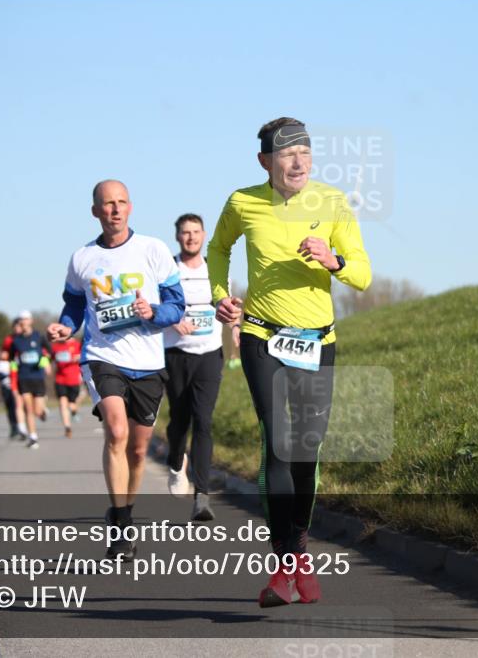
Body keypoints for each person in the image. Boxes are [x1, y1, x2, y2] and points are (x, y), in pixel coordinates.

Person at [209, 118, 372, 607]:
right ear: (265, 162)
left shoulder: (333, 202)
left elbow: (362, 274)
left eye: (304, 151)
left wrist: (333, 259)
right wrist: (222, 296)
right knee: (278, 446)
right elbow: (219, 249)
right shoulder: (243, 201)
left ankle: (298, 551)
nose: (297, 161)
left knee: (306, 452)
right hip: (262, 337)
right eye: (286, 153)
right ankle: (284, 566)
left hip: (317, 341)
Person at [47, 179, 184, 561]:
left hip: (148, 362)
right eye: (107, 204)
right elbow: (74, 306)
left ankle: (124, 511)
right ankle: (122, 528)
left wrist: (153, 312)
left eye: (121, 202)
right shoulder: (82, 259)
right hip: (103, 355)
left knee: (139, 451)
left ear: (131, 207)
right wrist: (64, 327)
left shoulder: (153, 250)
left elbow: (177, 306)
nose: (115, 209)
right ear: (95, 211)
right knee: (117, 432)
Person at [163, 213, 224, 521]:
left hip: (209, 354)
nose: (190, 237)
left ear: (203, 235)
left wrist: (235, 320)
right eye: (185, 233)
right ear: (178, 237)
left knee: (203, 420)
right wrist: (173, 318)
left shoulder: (215, 269)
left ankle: (202, 495)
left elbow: (224, 304)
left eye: (196, 232)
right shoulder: (168, 270)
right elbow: (156, 307)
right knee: (179, 422)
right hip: (175, 354)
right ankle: (175, 463)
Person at [7, 311, 50, 449]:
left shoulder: (38, 336)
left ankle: (42, 412)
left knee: (37, 411)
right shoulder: (16, 340)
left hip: (37, 376)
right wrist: (13, 367)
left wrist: (45, 360)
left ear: (31, 321)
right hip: (23, 377)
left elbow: (49, 351)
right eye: (21, 320)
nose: (23, 322)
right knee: (28, 409)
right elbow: (11, 357)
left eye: (26, 320)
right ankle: (33, 437)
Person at [1, 318, 27, 440]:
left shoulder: (27, 339)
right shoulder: (9, 340)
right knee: (11, 402)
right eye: (15, 327)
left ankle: (24, 425)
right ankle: (15, 427)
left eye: (19, 326)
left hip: (26, 374)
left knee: (24, 402)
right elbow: (4, 355)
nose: (17, 329)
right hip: (11, 374)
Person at [51, 334, 82, 438]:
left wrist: (79, 357)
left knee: (72, 404)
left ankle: (74, 411)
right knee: (62, 402)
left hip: (74, 379)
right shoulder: (55, 346)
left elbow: (84, 356)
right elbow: (50, 358)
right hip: (60, 379)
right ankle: (67, 427)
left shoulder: (76, 344)